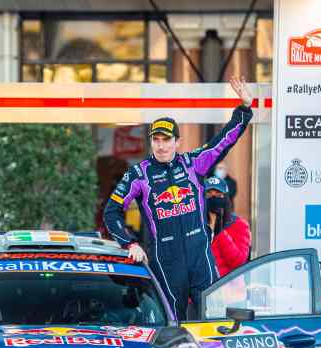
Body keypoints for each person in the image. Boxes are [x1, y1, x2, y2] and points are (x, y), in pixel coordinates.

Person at [103, 76, 253, 321]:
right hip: (166, 260)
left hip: (200, 256)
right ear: (151, 141)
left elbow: (223, 141)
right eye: (156, 140)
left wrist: (244, 109)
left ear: (177, 142)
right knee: (174, 322)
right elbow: (111, 211)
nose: (161, 146)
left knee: (214, 319)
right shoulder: (138, 174)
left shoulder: (193, 163)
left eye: (166, 140)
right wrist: (130, 243)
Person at [204, 176, 250, 276]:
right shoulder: (198, 225)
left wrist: (220, 232)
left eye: (218, 194)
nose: (213, 198)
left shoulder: (240, 225)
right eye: (209, 194)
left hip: (229, 283)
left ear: (226, 198)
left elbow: (238, 263)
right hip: (205, 284)